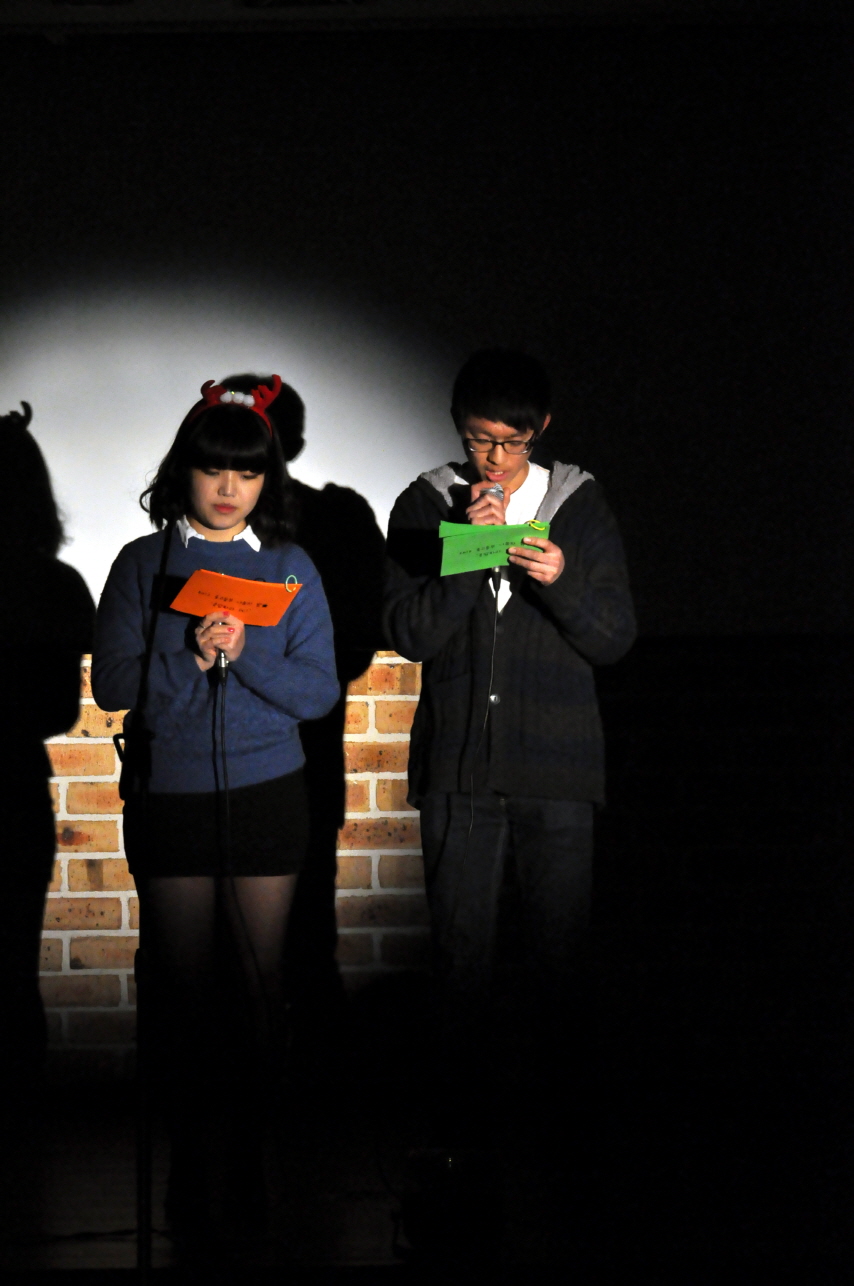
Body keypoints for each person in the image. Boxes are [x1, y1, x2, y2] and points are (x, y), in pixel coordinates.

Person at [92, 376, 339, 1240]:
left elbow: (317, 691)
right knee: (184, 988)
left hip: (268, 794)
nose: (229, 487)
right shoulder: (144, 563)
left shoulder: (289, 565)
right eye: (212, 469)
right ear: (185, 472)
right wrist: (192, 660)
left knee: (262, 983)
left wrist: (248, 653)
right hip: (172, 796)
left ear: (268, 478)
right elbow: (115, 686)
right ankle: (191, 1157)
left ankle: (252, 1155)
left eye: (248, 472)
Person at [382, 349, 636, 1139]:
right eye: (478, 439)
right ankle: (460, 1142)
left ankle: (565, 1138)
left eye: (511, 441)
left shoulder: (579, 504)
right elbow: (408, 632)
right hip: (459, 769)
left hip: (557, 770)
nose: (493, 457)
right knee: (460, 964)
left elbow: (614, 638)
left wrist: (559, 579)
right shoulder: (427, 501)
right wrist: (466, 551)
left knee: (560, 962)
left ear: (541, 428)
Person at [0, 401, 95, 1111]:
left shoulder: (54, 588)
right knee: (11, 976)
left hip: (13, 793)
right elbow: (60, 709)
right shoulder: (56, 586)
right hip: (14, 791)